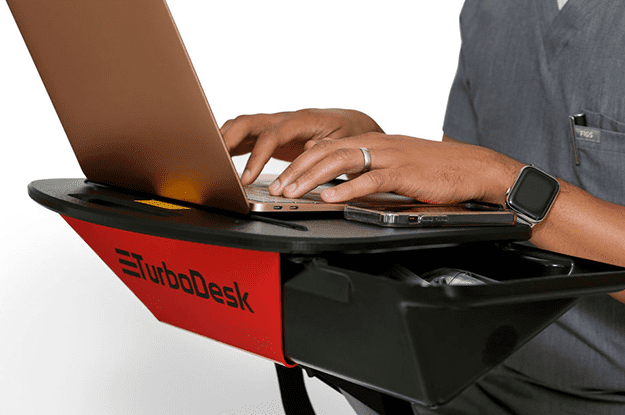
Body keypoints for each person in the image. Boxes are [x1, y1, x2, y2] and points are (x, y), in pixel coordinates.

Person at [221, 0, 625, 413]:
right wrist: (370, 149)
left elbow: (489, 177)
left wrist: (503, 179)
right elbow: (469, 202)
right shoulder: (491, 8)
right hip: (464, 371)